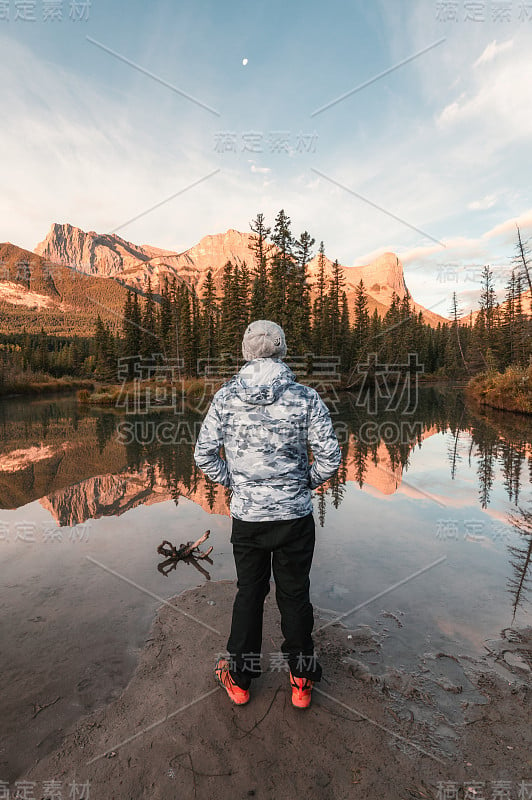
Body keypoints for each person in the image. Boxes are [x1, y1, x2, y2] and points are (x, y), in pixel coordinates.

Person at [194, 320, 341, 708]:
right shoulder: (306, 398)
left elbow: (203, 455)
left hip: (249, 518)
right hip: (294, 518)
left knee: (250, 593)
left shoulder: (225, 398)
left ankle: (240, 681)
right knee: (294, 594)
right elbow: (330, 459)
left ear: (245, 352)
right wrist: (303, 484)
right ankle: (301, 681)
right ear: (282, 349)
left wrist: (236, 484)